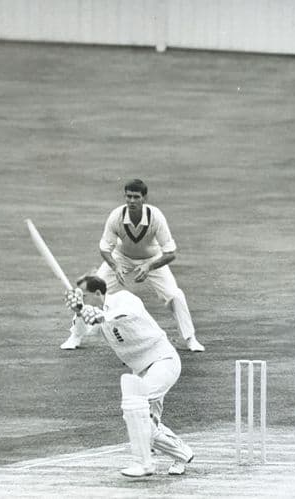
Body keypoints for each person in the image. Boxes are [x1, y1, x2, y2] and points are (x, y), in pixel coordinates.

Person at [65, 275, 195, 477]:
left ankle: (144, 464)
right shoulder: (93, 313)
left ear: (98, 293)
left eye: (84, 295)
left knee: (135, 407)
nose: (81, 298)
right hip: (142, 371)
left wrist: (101, 316)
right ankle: (181, 454)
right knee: (147, 424)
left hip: (163, 361)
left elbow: (129, 312)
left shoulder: (122, 299)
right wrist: (79, 311)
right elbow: (81, 330)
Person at [61, 179, 204, 352]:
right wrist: (115, 266)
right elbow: (105, 248)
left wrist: (149, 266)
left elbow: (170, 253)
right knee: (89, 292)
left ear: (144, 198)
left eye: (136, 197)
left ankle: (190, 339)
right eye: (128, 197)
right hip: (121, 258)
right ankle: (75, 335)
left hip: (152, 259)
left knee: (175, 295)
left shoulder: (155, 217)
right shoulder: (116, 216)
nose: (131, 201)